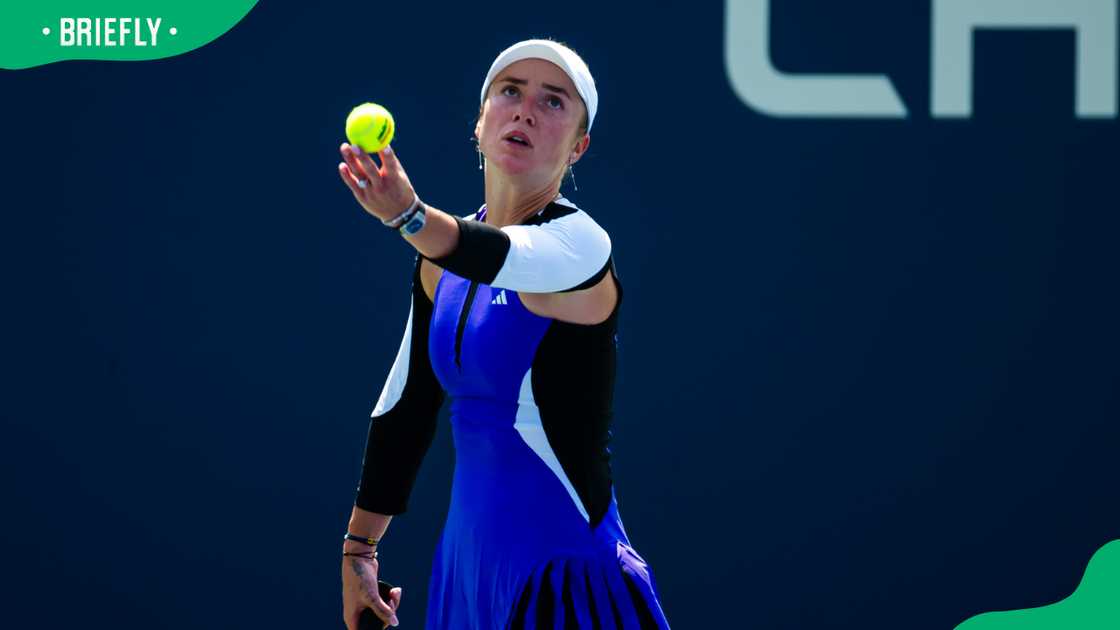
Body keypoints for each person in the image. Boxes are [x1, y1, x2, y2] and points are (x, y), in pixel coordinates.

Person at [337, 39, 671, 630]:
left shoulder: (582, 245)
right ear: (481, 119)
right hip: (467, 574)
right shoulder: (439, 261)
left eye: (553, 102)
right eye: (510, 92)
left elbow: (501, 255)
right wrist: (359, 549)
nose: (525, 110)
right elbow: (406, 405)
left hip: (564, 577)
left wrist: (408, 214)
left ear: (578, 147)